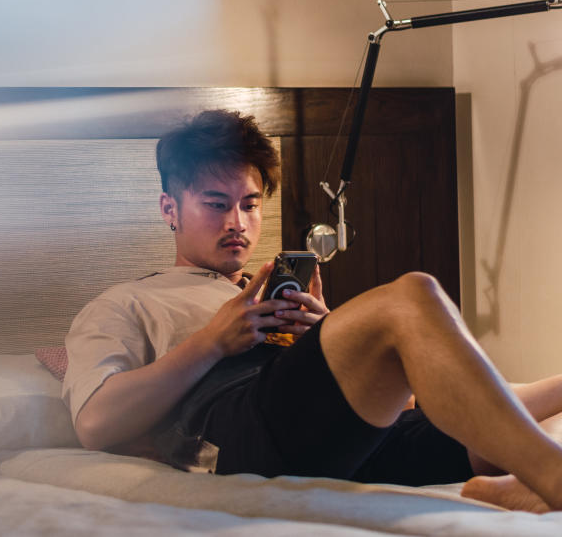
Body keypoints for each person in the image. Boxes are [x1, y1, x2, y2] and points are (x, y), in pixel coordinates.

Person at [62, 109, 562, 513]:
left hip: (345, 436)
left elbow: (413, 402)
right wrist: (211, 342)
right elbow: (95, 423)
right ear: (170, 209)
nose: (237, 222)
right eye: (216, 203)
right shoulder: (125, 302)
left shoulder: (273, 291)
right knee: (413, 295)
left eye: (250, 204)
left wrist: (326, 333)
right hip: (246, 425)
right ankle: (551, 475)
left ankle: (513, 484)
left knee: (514, 410)